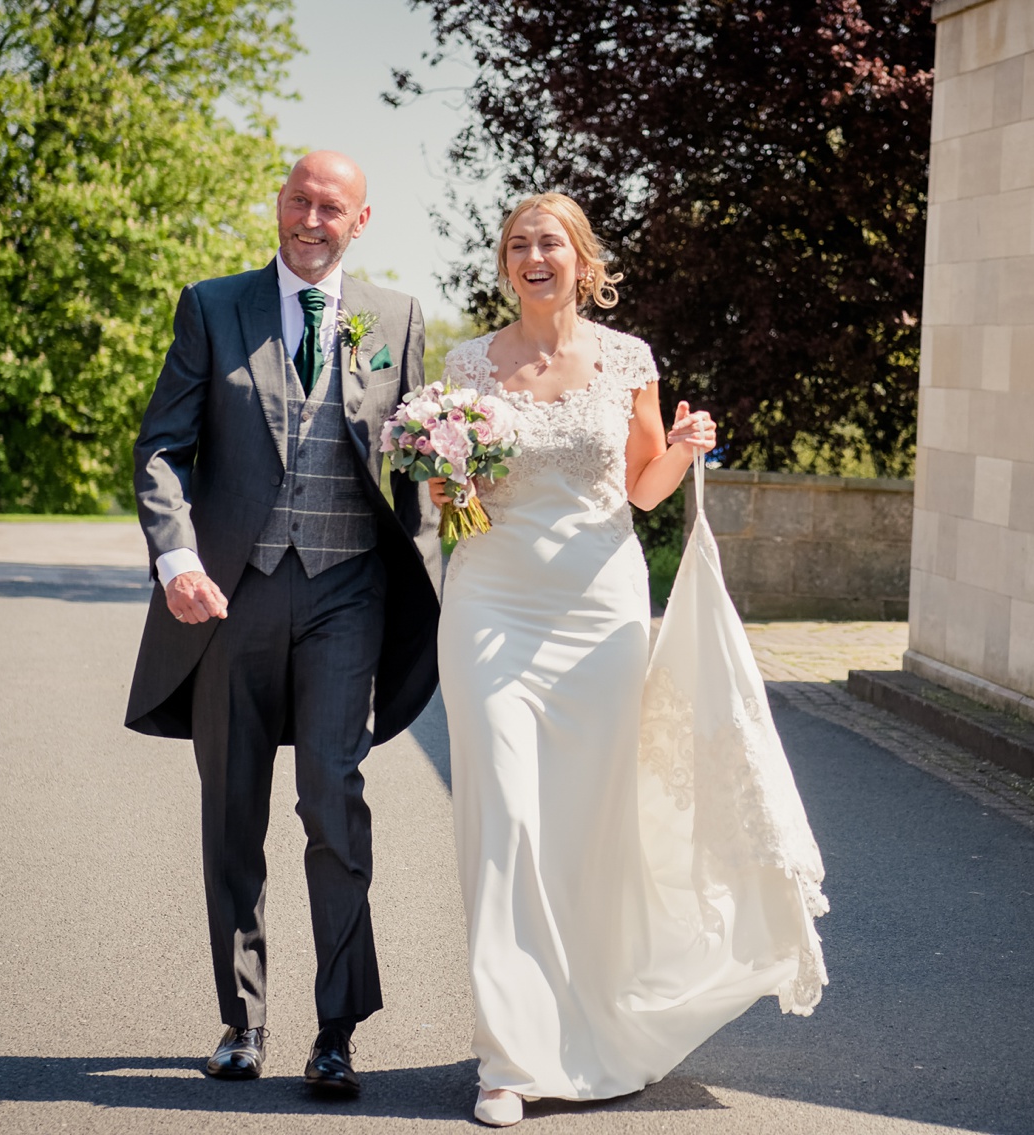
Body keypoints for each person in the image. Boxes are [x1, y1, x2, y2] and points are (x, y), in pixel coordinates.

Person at [432, 193, 824, 1128]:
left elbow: (642, 490)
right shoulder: (463, 365)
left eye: (551, 243)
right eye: (520, 243)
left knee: (588, 826)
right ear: (504, 263)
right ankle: (509, 1056)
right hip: (490, 603)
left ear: (581, 260)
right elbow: (461, 503)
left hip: (599, 612)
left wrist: (685, 447)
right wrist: (448, 478)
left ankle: (591, 1026)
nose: (535, 256)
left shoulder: (627, 360)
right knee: (503, 820)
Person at [124, 151, 442, 1097]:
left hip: (349, 593)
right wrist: (177, 558)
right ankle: (242, 1018)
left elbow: (420, 467)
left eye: (331, 205)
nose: (312, 217)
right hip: (232, 595)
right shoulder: (212, 305)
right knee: (233, 809)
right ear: (278, 207)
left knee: (334, 807)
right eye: (299, 200)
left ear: (362, 219)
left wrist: (432, 583)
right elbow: (162, 446)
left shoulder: (395, 316)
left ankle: (336, 1028)